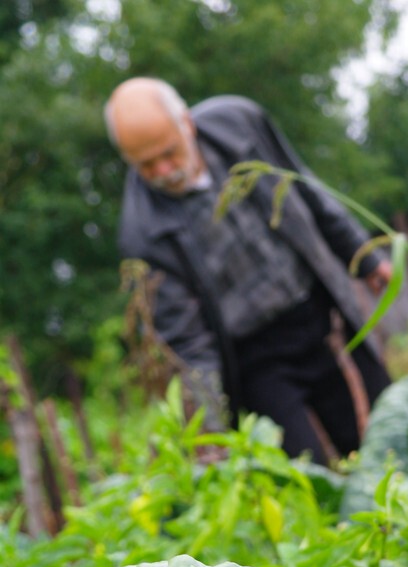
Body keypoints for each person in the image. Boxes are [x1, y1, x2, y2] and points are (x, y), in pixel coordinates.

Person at [104, 77, 392, 463]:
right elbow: (188, 342)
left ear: (186, 123)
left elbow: (306, 187)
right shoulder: (143, 232)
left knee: (387, 439)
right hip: (258, 363)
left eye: (168, 153)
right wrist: (209, 429)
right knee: (307, 476)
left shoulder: (239, 123)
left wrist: (362, 254)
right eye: (146, 165)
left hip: (322, 315)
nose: (163, 170)